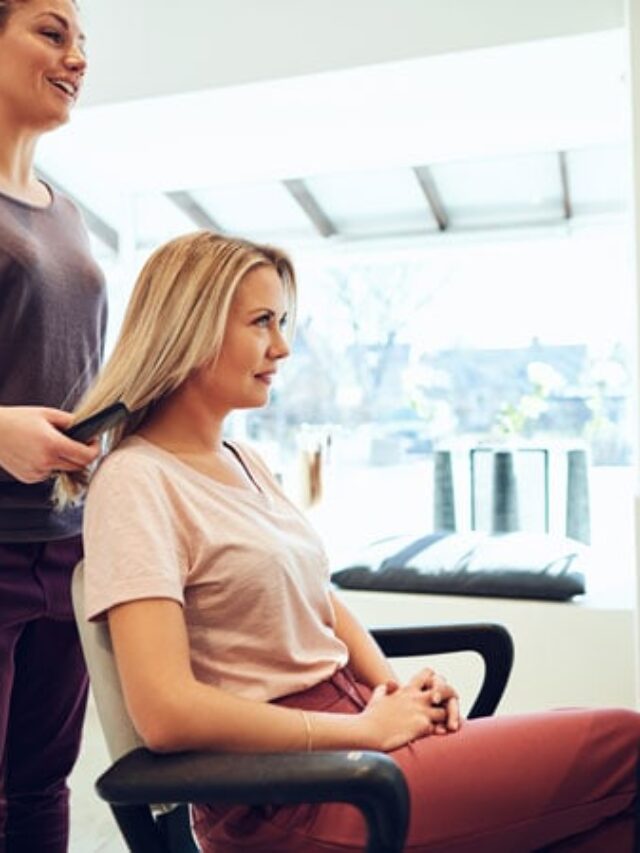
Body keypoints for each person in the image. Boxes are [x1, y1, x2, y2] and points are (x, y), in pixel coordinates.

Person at [57, 230, 640, 852]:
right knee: (626, 745)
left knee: (597, 823)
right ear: (191, 329)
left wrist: (394, 693)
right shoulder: (136, 482)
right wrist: (364, 729)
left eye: (282, 322)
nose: (282, 347)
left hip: (353, 743)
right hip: (293, 792)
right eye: (262, 322)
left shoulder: (243, 459)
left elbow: (322, 603)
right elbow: (167, 713)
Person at [0, 1, 107, 850]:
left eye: (81, 41)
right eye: (51, 31)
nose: (76, 56)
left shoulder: (69, 213)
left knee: (41, 788)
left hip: (67, 544)